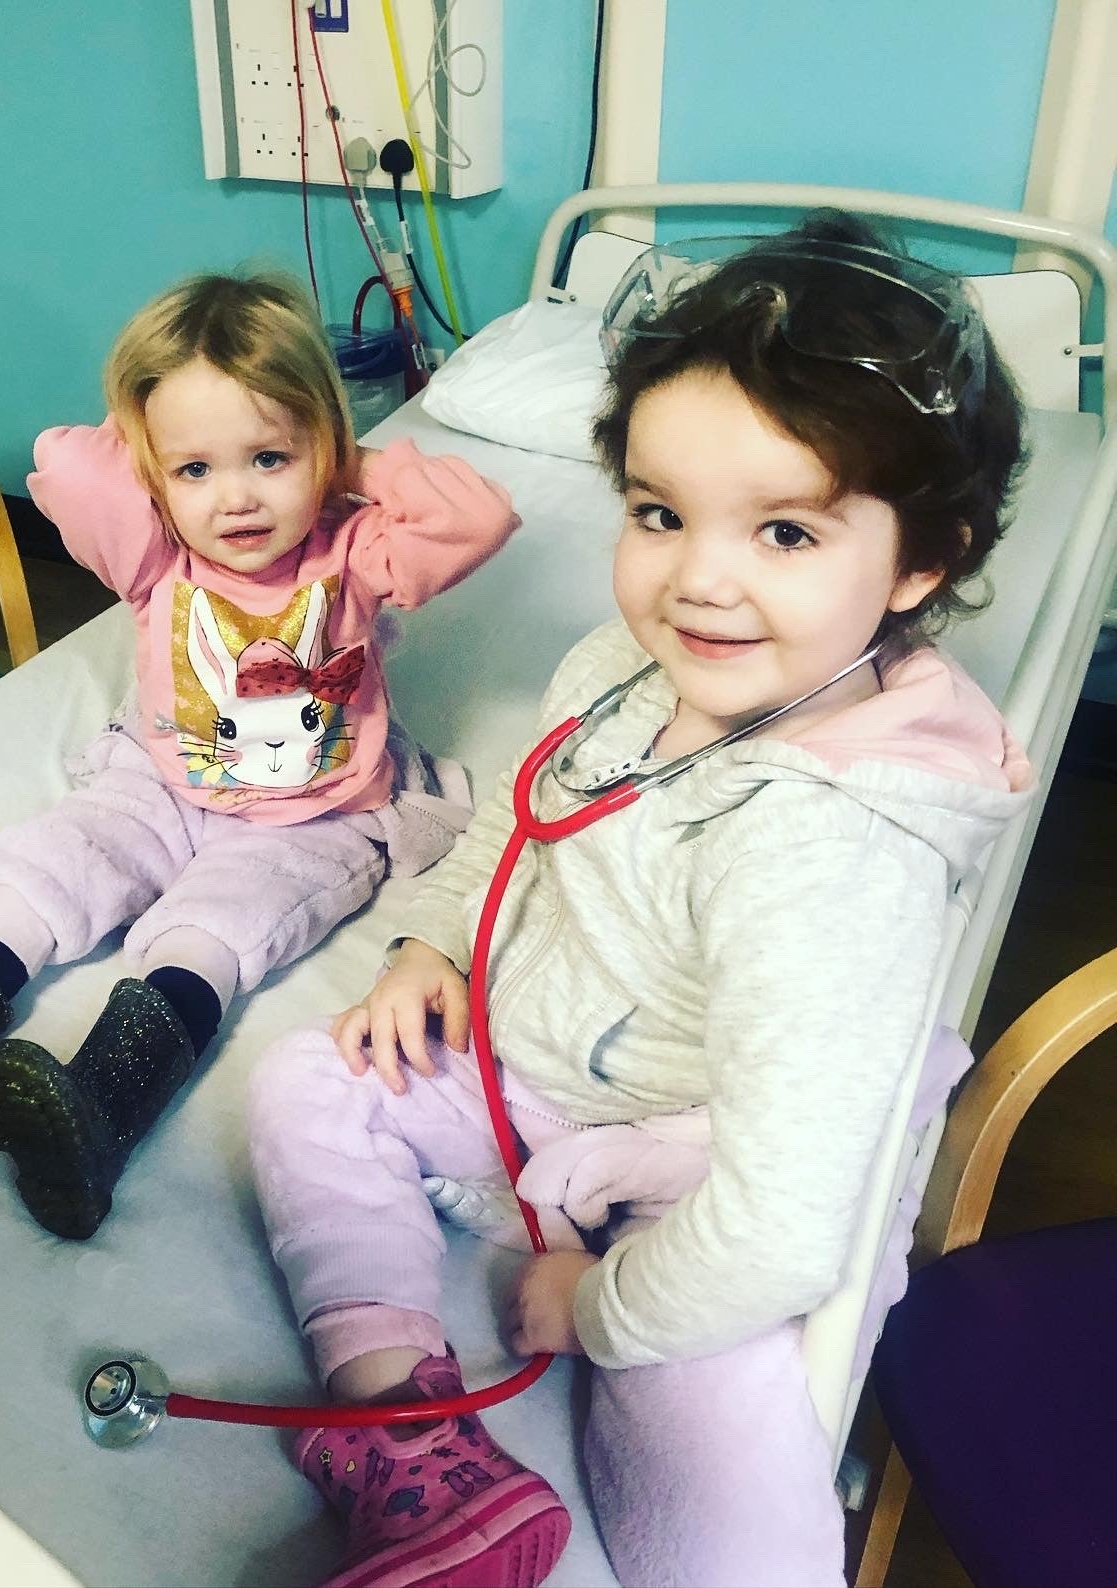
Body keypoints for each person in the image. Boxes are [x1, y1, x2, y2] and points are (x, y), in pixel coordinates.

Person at [243, 212, 1033, 1587]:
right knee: (311, 1083)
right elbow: (530, 803)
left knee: (727, 1502)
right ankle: (409, 1436)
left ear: (921, 563)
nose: (698, 580)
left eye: (785, 530)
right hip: (540, 1072)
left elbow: (783, 1230)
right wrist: (434, 940)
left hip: (708, 1169)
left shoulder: (830, 854)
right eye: (660, 514)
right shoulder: (623, 659)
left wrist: (598, 1310)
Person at [0, 272, 518, 1240]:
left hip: (317, 810)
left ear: (324, 451)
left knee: (219, 924)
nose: (238, 499)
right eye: (195, 470)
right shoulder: (152, 553)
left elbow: (475, 518)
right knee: (55, 864)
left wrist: (353, 465)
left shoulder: (355, 550)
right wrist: (158, 442)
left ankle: (99, 1108)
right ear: (156, 474)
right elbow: (67, 462)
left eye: (270, 456)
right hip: (159, 774)